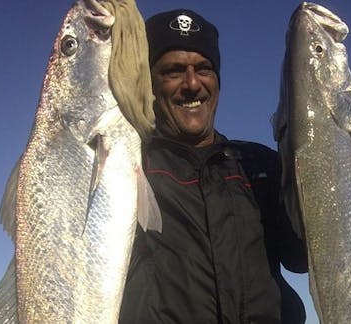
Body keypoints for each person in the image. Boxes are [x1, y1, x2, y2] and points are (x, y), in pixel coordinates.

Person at [119, 8, 308, 324]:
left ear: (218, 80)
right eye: (173, 71)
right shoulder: (126, 168)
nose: (192, 83)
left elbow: (301, 258)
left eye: (204, 68)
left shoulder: (260, 164)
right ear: (149, 83)